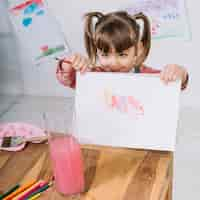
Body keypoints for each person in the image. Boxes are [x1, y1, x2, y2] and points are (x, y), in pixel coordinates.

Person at [56, 11, 188, 90]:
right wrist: (69, 65)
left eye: (122, 54)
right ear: (97, 51)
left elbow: (174, 84)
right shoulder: (93, 74)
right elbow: (69, 79)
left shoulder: (146, 75)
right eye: (105, 54)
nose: (113, 62)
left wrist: (179, 73)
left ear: (139, 50)